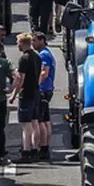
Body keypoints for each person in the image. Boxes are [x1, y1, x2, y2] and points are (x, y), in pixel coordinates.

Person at [8, 33, 42, 164]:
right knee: (35, 123)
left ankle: (26, 152)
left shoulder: (24, 59)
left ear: (22, 43)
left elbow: (20, 79)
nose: (17, 45)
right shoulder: (37, 57)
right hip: (35, 91)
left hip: (26, 93)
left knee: (25, 125)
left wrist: (13, 95)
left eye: (18, 43)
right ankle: (35, 150)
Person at [33, 31, 56, 161]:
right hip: (47, 88)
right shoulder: (46, 53)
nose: (33, 43)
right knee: (46, 119)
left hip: (43, 89)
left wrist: (36, 85)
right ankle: (45, 147)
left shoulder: (44, 55)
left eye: (34, 41)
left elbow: (44, 73)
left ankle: (43, 147)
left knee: (40, 120)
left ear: (42, 40)